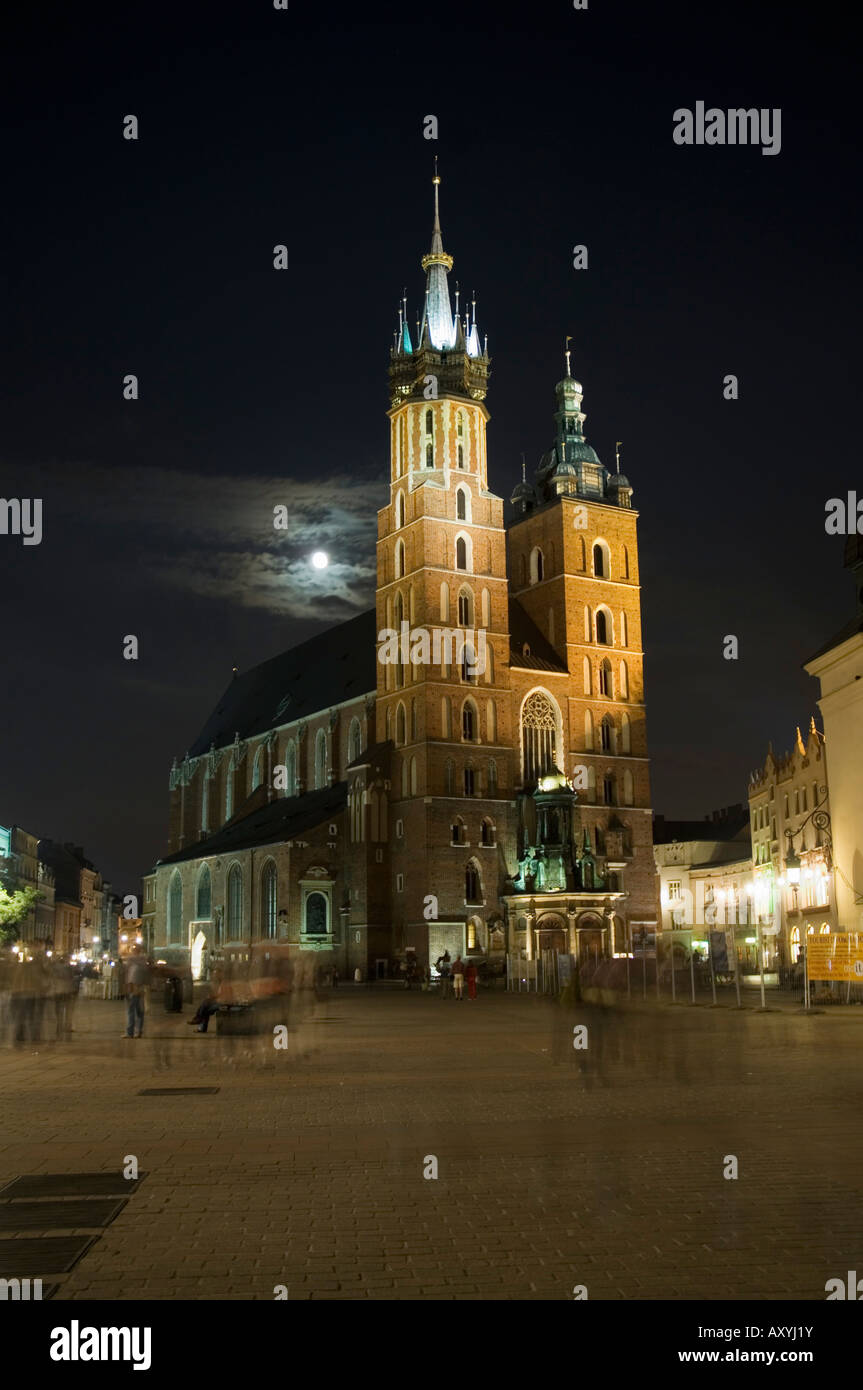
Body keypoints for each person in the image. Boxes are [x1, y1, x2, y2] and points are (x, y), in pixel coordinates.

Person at [123, 947, 151, 1038]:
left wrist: (129, 989)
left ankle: (130, 1032)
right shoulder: (143, 964)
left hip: (134, 990)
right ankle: (138, 1032)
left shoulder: (134, 965)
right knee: (139, 1012)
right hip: (141, 990)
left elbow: (131, 979)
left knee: (131, 1011)